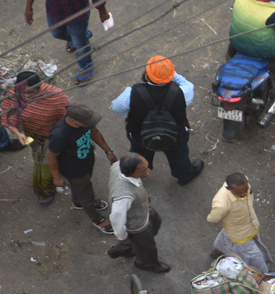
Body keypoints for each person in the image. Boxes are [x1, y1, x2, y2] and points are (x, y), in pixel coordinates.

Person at [110, 56, 204, 185]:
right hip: (176, 135)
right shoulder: (183, 92)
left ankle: (142, 170)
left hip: (140, 135)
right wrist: (170, 73)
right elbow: (188, 84)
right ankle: (184, 176)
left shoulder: (131, 93)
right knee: (179, 156)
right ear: (171, 77)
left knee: (141, 154)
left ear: (147, 75)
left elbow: (117, 108)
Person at [25, 0, 109, 85]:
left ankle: (86, 66)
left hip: (77, 16)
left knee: (80, 43)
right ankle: (81, 37)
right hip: (54, 12)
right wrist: (28, 7)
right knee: (56, 33)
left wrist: (103, 13)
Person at [0, 72, 71, 205]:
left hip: (52, 135)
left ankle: (46, 190)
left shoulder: (55, 95)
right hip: (31, 133)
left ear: (38, 86)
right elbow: (6, 117)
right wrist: (17, 133)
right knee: (38, 157)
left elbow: (67, 116)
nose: (26, 96)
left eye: (30, 92)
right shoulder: (13, 94)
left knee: (44, 165)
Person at [47, 104, 116, 235]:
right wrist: (56, 177)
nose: (90, 124)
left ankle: (78, 203)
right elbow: (52, 156)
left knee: (83, 187)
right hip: (74, 170)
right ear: (73, 120)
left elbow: (95, 132)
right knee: (86, 194)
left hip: (86, 160)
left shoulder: (85, 122)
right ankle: (97, 219)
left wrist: (108, 151)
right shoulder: (59, 135)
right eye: (88, 122)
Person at [107, 153, 170, 273]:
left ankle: (124, 248)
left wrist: (143, 196)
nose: (149, 170)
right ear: (131, 173)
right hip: (137, 224)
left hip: (142, 210)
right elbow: (116, 217)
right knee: (147, 246)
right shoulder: (124, 196)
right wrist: (120, 236)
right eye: (143, 170)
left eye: (147, 166)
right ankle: (146, 263)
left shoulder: (117, 166)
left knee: (155, 221)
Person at [206, 173, 272, 272]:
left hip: (245, 223)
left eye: (246, 190)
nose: (245, 194)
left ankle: (218, 251)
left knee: (226, 234)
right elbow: (213, 218)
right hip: (241, 234)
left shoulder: (243, 182)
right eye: (240, 194)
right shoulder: (221, 204)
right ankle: (263, 274)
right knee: (254, 255)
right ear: (229, 189)